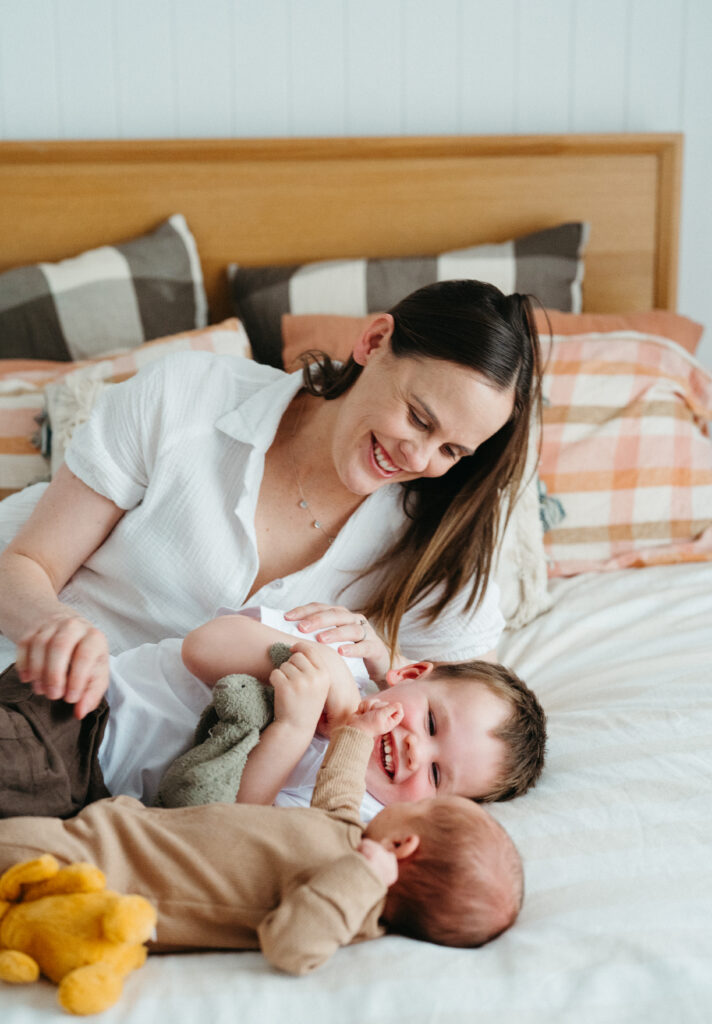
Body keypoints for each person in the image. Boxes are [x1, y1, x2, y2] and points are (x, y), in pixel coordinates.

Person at [0, 279, 541, 721]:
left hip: (168, 782)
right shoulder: (188, 395)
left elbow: (483, 715)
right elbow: (26, 564)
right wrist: (53, 626)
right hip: (32, 700)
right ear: (374, 342)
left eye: (451, 448)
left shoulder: (436, 527)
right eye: (419, 418)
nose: (419, 458)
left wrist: (380, 659)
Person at [0, 699, 524, 973]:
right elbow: (338, 789)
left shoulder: (349, 908)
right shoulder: (346, 833)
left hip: (110, 874)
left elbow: (291, 947)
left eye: (428, 800)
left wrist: (362, 877)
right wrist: (357, 736)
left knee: (15, 849)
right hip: (123, 834)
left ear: (404, 846)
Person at [0, 604, 547, 819]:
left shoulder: (349, 805)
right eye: (430, 723)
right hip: (82, 712)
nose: (412, 750)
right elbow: (203, 646)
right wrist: (329, 676)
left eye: (434, 774)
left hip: (97, 806)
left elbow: (232, 822)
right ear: (406, 674)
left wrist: (293, 730)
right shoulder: (335, 650)